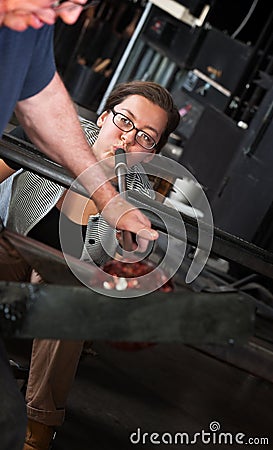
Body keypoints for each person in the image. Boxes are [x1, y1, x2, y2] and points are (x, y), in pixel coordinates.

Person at [0, 3, 158, 449]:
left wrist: (111, 200)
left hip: (60, 275)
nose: (128, 138)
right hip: (13, 247)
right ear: (105, 116)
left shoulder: (141, 192)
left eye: (146, 137)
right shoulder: (65, 136)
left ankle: (38, 429)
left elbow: (120, 282)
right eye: (124, 122)